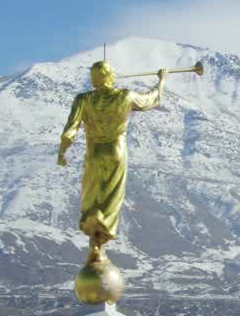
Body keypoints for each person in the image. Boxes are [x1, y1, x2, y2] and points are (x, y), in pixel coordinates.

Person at [57, 61, 165, 262]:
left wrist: (62, 152)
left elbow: (70, 130)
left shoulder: (84, 99)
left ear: (96, 78)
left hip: (94, 152)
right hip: (116, 150)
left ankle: (94, 239)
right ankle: (102, 235)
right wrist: (161, 80)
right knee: (111, 197)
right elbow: (152, 99)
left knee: (91, 196)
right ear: (111, 76)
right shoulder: (125, 96)